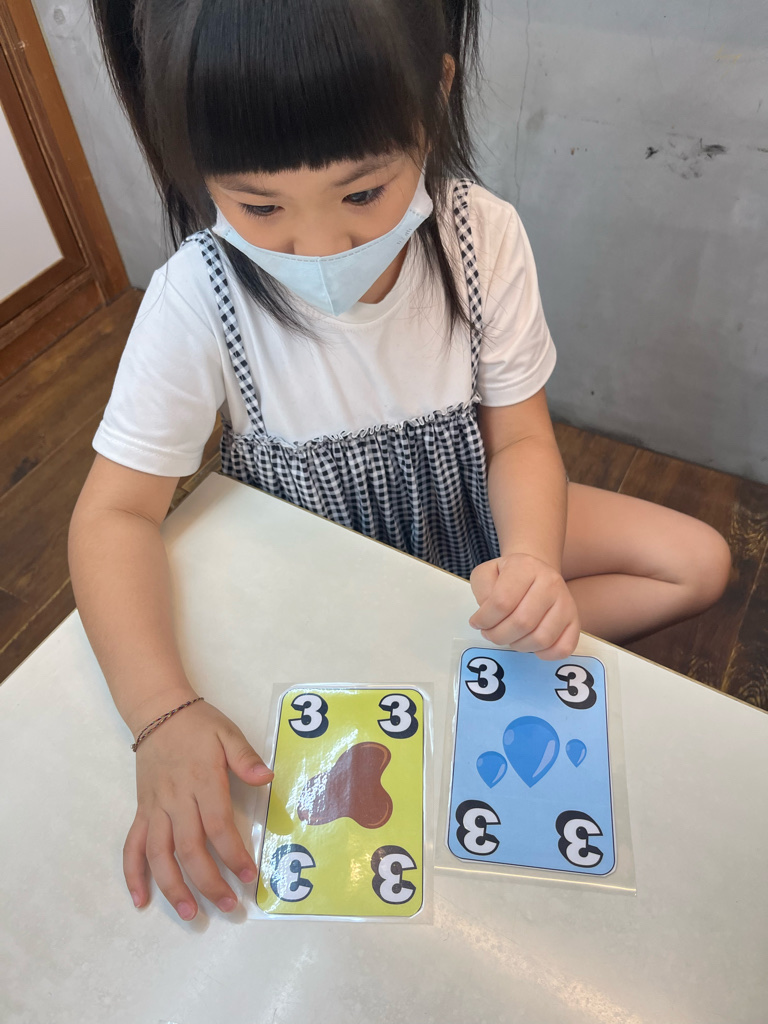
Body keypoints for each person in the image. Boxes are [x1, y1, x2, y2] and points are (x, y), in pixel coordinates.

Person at [69, 0, 731, 922]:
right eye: (260, 206)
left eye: (362, 194)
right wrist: (161, 713)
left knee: (697, 561)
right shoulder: (197, 295)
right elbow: (114, 514)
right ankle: (437, 659)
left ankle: (452, 654)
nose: (319, 245)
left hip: (468, 515)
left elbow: (520, 438)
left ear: (436, 94)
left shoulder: (480, 236)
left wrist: (533, 562)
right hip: (316, 566)